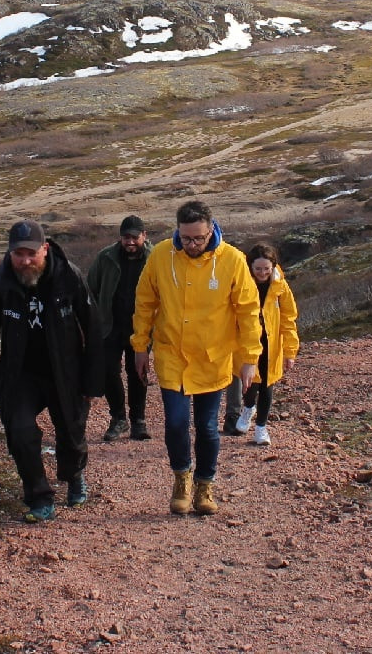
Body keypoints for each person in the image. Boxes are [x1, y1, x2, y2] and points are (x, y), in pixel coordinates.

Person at [132, 199, 260, 516]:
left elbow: (248, 310)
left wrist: (249, 356)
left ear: (211, 230)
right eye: (186, 238)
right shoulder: (161, 255)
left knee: (206, 426)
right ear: (178, 231)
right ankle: (181, 478)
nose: (192, 244)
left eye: (198, 238)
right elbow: (145, 301)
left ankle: (205, 485)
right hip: (171, 354)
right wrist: (139, 345)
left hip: (212, 358)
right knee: (176, 424)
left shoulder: (231, 260)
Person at [0, 220, 104, 523]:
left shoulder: (68, 276)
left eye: (31, 253)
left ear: (44, 249)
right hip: (19, 373)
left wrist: (92, 382)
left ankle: (73, 476)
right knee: (19, 432)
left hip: (64, 370)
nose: (25, 261)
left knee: (71, 434)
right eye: (18, 254)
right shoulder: (0, 280)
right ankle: (39, 496)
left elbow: (93, 327)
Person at [86, 215, 153, 442]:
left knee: (138, 372)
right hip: (110, 327)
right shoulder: (105, 257)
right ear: (120, 238)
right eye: (126, 237)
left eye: (135, 237)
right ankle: (118, 419)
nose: (130, 242)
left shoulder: (155, 259)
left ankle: (138, 421)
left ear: (144, 235)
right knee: (108, 373)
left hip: (141, 328)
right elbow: (91, 289)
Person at [231, 243, 300, 447]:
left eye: (266, 269)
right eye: (258, 269)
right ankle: (248, 408)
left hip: (271, 343)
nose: (262, 273)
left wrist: (290, 351)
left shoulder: (280, 287)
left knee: (267, 384)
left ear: (273, 267)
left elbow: (289, 318)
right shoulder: (241, 284)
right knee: (250, 384)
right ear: (250, 267)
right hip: (247, 342)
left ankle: (261, 428)